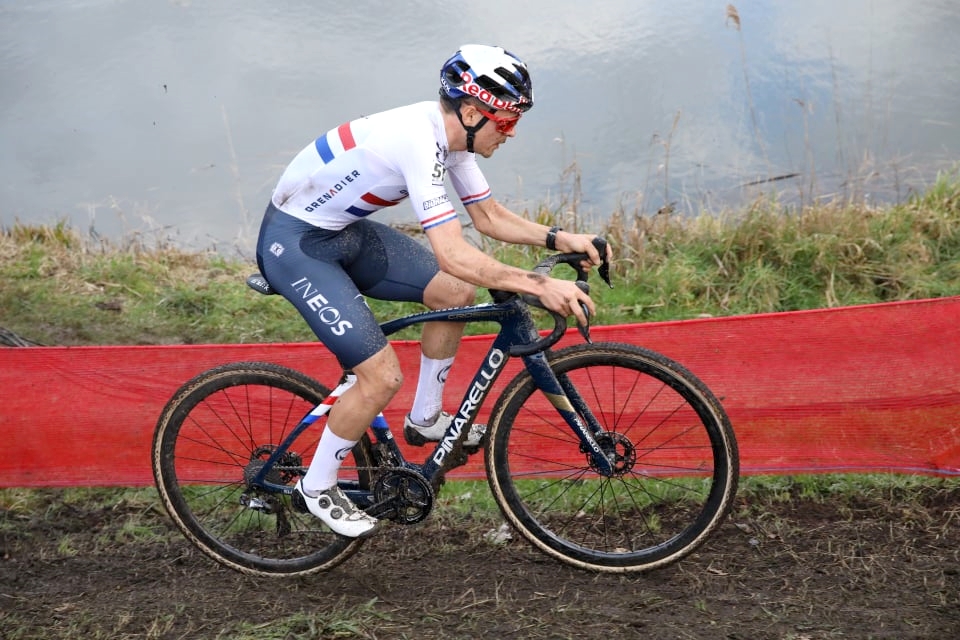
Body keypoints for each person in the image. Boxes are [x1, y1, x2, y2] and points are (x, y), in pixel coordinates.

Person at [255, 44, 612, 537]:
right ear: (471, 111)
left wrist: (558, 238)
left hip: (342, 232)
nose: (511, 134)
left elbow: (487, 218)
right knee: (379, 376)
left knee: (455, 291)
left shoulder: (452, 140)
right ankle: (317, 487)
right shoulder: (418, 142)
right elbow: (452, 251)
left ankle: (426, 419)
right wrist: (537, 283)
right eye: (505, 123)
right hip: (297, 246)